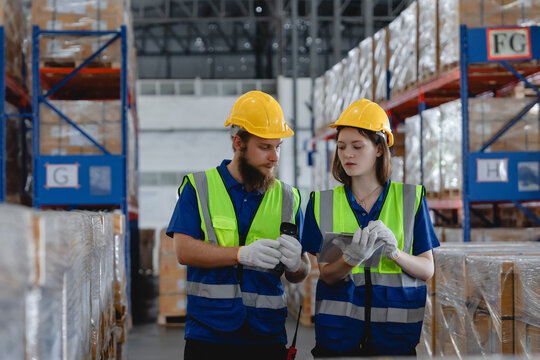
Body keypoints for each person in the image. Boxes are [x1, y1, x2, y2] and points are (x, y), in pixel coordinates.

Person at [166, 91, 311, 360]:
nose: (274, 157)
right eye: (265, 147)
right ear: (238, 143)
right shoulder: (199, 187)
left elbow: (300, 270)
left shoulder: (288, 198)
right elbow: (183, 251)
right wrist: (239, 254)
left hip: (267, 335)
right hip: (209, 334)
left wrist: (297, 265)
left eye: (278, 146)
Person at [302, 99, 440, 357]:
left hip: (394, 338)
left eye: (357, 146)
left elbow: (426, 270)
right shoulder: (321, 204)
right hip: (338, 338)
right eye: (341, 147)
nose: (347, 155)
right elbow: (327, 275)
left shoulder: (410, 200)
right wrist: (349, 260)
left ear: (379, 148)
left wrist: (395, 253)